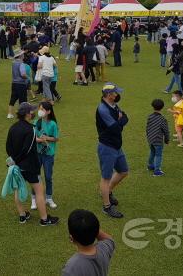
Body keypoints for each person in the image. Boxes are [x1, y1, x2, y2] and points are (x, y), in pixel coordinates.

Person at [6, 102, 59, 226]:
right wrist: (19, 160)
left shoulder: (13, 127)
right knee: (40, 190)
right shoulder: (30, 129)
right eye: (31, 111)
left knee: (18, 190)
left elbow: (8, 147)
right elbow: (27, 149)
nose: (33, 112)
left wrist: (14, 161)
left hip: (16, 166)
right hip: (29, 166)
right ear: (27, 114)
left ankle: (22, 216)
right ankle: (44, 219)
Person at [96, 83, 129, 218]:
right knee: (106, 177)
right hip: (107, 147)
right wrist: (120, 120)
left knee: (123, 171)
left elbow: (126, 117)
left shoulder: (113, 105)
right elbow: (116, 128)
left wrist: (121, 120)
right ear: (108, 95)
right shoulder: (103, 109)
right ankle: (107, 207)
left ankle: (108, 191)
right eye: (115, 93)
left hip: (116, 145)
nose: (117, 95)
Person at [62, 209, 115, 276]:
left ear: (71, 238)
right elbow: (109, 239)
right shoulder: (104, 249)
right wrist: (92, 228)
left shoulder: (71, 268)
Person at [30, 101, 60, 211]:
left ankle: (49, 198)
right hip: (37, 154)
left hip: (48, 155)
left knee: (48, 177)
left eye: (42, 109)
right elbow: (33, 136)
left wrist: (46, 138)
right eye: (40, 109)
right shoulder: (36, 122)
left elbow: (56, 138)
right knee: (35, 176)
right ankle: (33, 199)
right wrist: (39, 140)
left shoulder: (52, 124)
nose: (40, 111)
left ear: (48, 112)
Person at [146, 99, 170, 176]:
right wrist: (167, 139)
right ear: (162, 107)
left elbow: (147, 127)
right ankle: (157, 171)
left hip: (150, 139)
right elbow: (166, 131)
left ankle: (150, 166)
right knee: (158, 154)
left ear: (153, 106)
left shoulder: (150, 117)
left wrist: (148, 136)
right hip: (158, 140)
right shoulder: (162, 119)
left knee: (152, 152)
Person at [7, 50, 29, 118]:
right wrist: (27, 77)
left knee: (13, 98)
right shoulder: (21, 64)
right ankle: (22, 114)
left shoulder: (13, 63)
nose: (23, 55)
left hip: (14, 83)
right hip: (21, 84)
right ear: (20, 56)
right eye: (22, 54)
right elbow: (23, 74)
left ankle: (9, 113)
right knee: (22, 99)